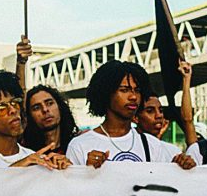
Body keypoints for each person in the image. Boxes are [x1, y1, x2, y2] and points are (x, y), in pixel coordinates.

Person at [66, 61, 194, 169]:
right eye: (124, 90)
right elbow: (73, 193)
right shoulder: (80, 146)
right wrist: (86, 172)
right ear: (106, 94)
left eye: (137, 90)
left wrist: (182, 166)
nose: (133, 97)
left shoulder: (151, 145)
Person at [21, 85, 79, 156]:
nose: (45, 110)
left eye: (49, 103)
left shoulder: (77, 145)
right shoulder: (24, 152)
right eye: (37, 108)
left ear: (59, 106)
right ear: (29, 116)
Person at [135, 94, 184, 159]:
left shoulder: (173, 152)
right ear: (135, 118)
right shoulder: (129, 150)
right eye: (150, 111)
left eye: (161, 111)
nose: (159, 115)